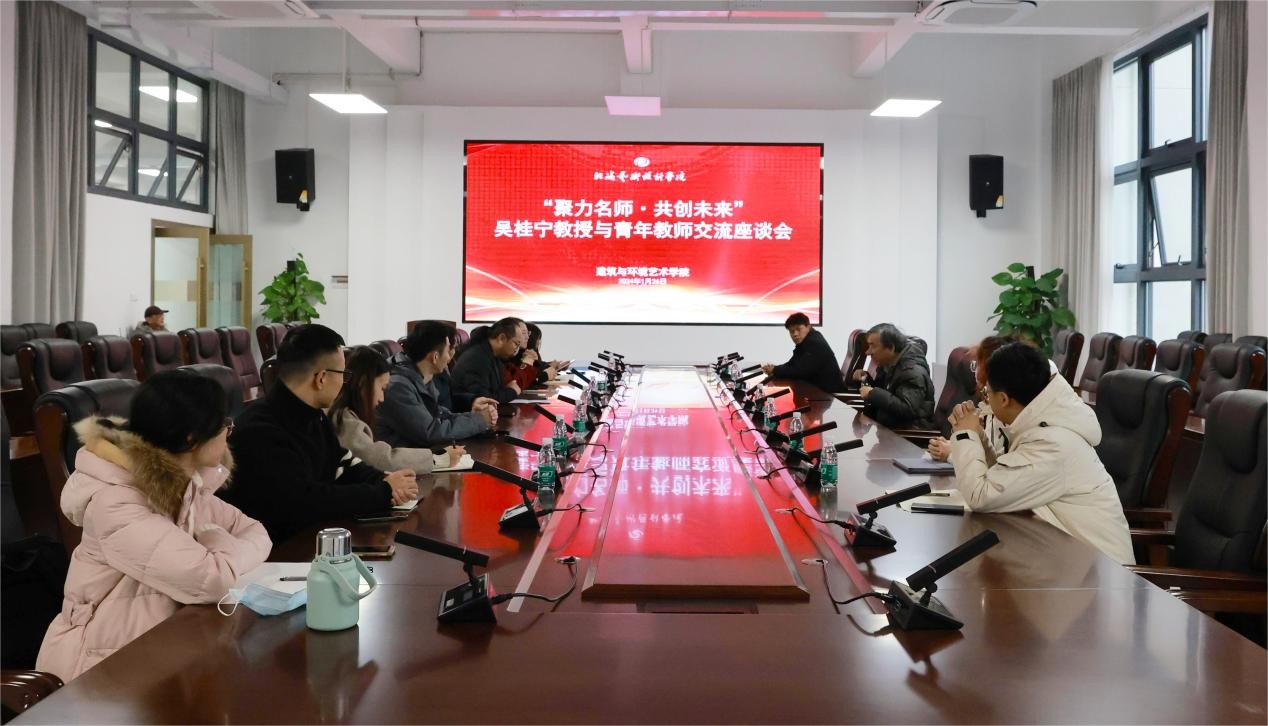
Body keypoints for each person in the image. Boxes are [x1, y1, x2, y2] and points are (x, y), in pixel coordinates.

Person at [36, 370, 271, 682]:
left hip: (160, 649)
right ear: (191, 439)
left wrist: (220, 553)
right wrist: (219, 541)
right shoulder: (115, 503)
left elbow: (256, 532)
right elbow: (212, 580)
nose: (229, 432)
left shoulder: (182, 485)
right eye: (224, 425)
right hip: (99, 671)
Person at [220, 324, 418, 543]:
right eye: (343, 375)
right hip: (275, 551)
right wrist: (383, 492)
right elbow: (306, 501)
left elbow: (342, 462)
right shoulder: (260, 430)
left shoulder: (313, 415)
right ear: (322, 378)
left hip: (308, 538)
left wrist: (384, 480)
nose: (344, 382)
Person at [947, 342, 1133, 565]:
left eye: (987, 393)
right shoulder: (1042, 420)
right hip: (1068, 558)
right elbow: (1002, 477)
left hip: (1101, 574)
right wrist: (977, 433)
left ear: (1004, 399)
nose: (985, 400)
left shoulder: (1053, 444)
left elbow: (981, 496)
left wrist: (965, 435)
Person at [329, 347, 466, 478]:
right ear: (363, 383)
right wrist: (439, 459)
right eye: (382, 388)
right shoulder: (344, 421)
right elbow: (381, 460)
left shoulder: (347, 413)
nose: (382, 398)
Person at [377, 320, 499, 448]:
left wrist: (474, 416)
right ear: (435, 357)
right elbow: (430, 432)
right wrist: (479, 420)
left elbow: (437, 414)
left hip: (420, 451)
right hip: (403, 456)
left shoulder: (421, 375)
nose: (450, 356)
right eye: (448, 350)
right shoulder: (397, 386)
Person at [855, 323, 936, 430]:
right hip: (888, 427)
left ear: (891, 348)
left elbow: (907, 409)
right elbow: (885, 391)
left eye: (872, 346)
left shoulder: (912, 372)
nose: (867, 352)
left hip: (908, 433)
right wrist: (866, 379)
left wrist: (872, 393)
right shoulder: (888, 363)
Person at [760, 312, 844, 393]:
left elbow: (799, 371)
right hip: (817, 389)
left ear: (808, 326)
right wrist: (775, 368)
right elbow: (792, 364)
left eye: (798, 329)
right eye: (792, 331)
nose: (795, 334)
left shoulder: (813, 343)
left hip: (830, 394)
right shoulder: (808, 339)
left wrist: (775, 370)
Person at [451, 317, 527, 404]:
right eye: (516, 344)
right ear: (501, 338)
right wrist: (512, 391)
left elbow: (495, 391)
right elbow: (483, 400)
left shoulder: (493, 355)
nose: (516, 350)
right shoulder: (477, 359)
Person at [504, 323, 565, 391]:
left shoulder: (527, 354)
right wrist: (544, 375)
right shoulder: (516, 356)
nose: (527, 337)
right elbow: (519, 382)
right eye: (524, 333)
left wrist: (549, 365)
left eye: (528, 333)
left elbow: (537, 368)